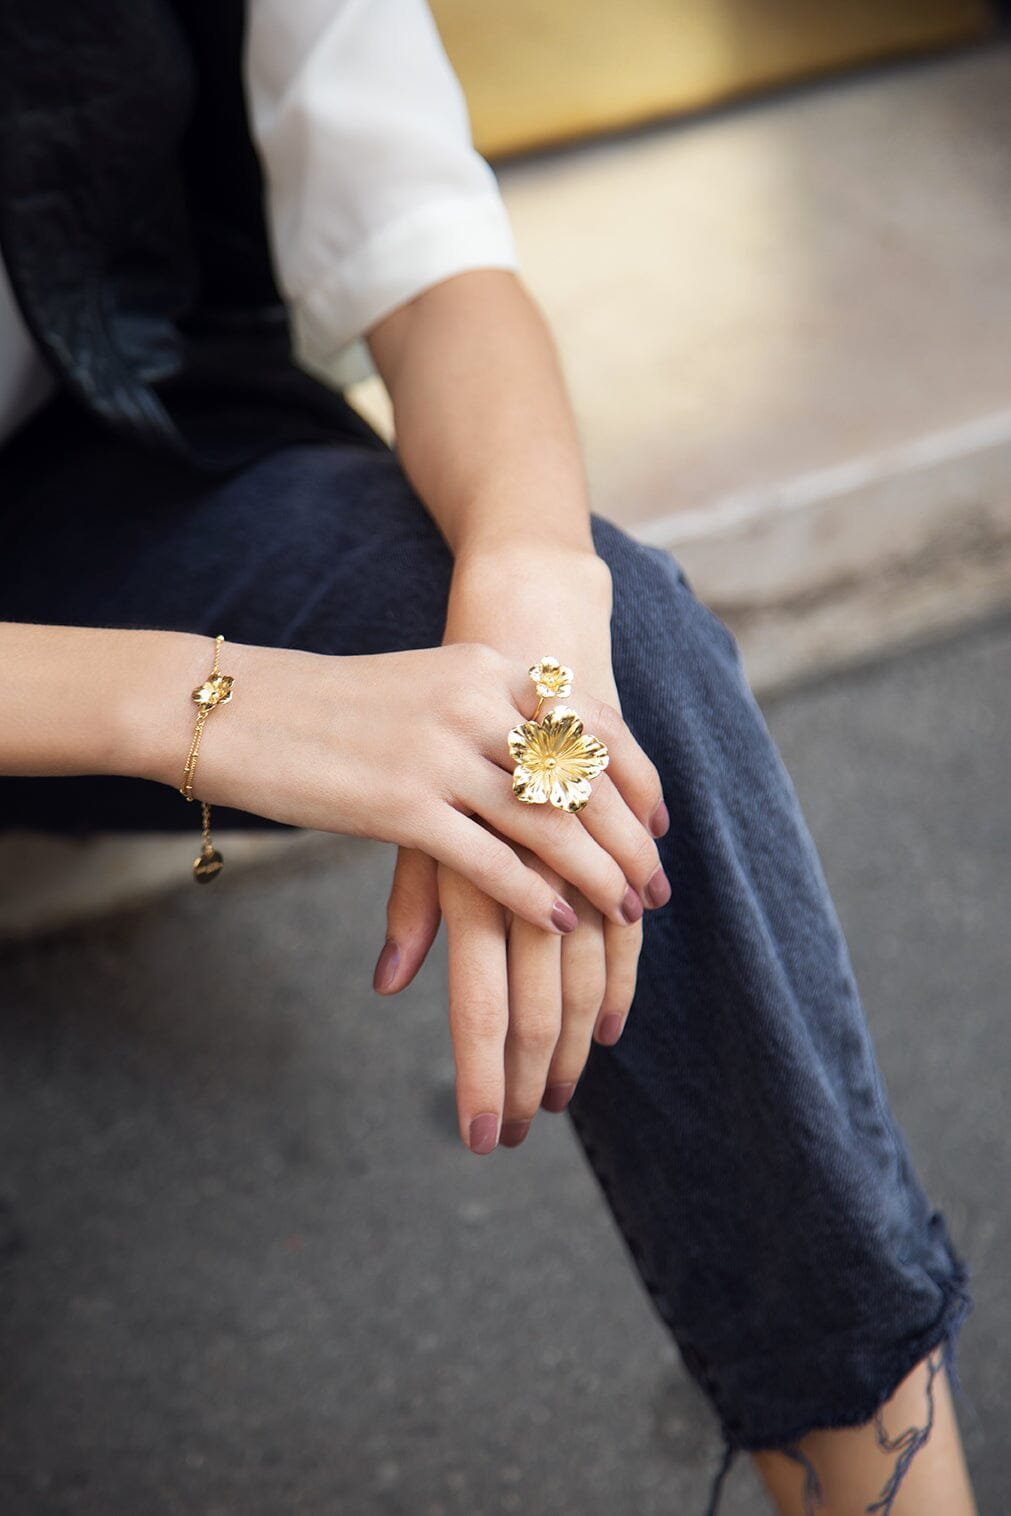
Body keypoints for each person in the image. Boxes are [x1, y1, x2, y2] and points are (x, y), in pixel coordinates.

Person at [0, 2, 979, 1512]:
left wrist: (533, 583)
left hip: (101, 458)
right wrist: (199, 703)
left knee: (610, 677)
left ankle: (887, 1487)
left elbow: (421, 237)